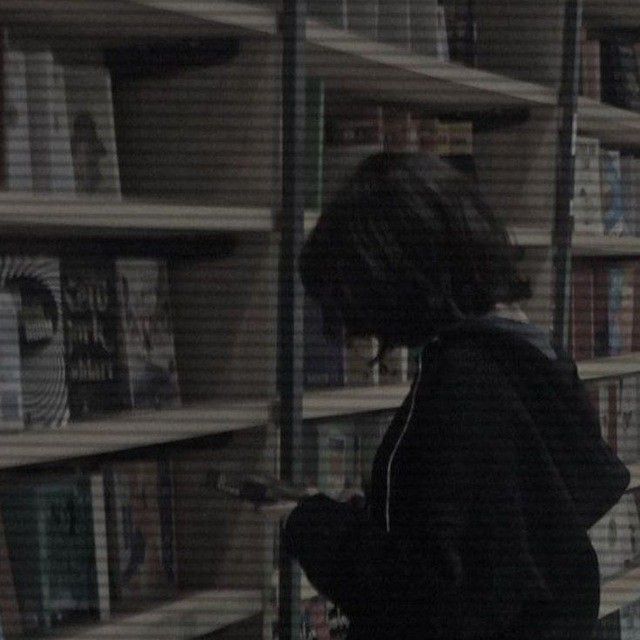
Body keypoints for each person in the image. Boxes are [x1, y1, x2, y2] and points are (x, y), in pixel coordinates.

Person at [283, 153, 630, 640]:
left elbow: (433, 602)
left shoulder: (463, 385)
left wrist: (317, 527)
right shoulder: (525, 356)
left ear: (398, 277)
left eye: (355, 293)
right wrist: (386, 515)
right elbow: (497, 539)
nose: (355, 325)